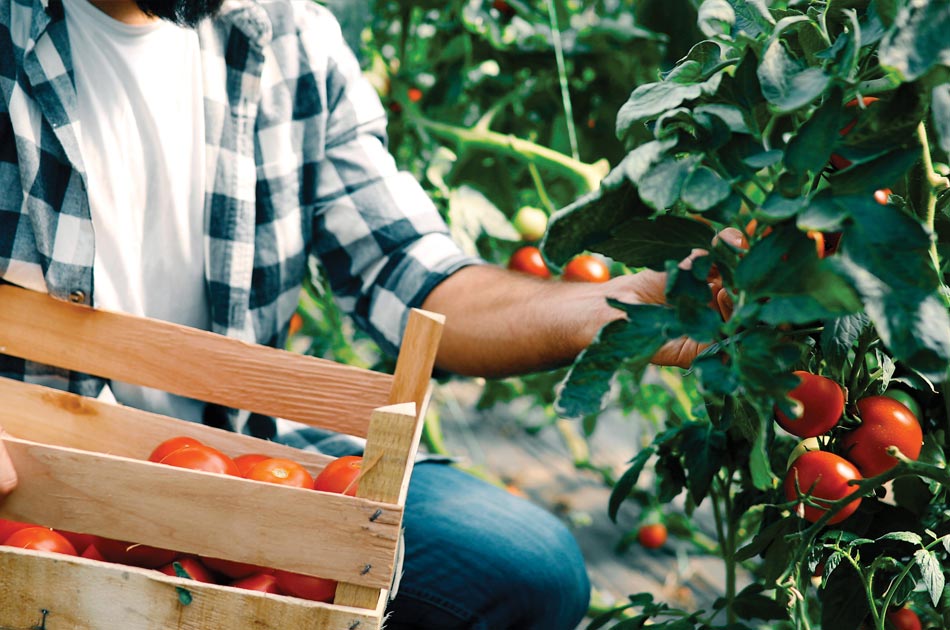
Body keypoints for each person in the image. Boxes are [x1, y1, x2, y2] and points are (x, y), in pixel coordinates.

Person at [0, 0, 737, 627]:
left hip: (243, 458)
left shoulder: (283, 36)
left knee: (528, 567)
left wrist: (610, 308)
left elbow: (414, 272)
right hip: (31, 485)